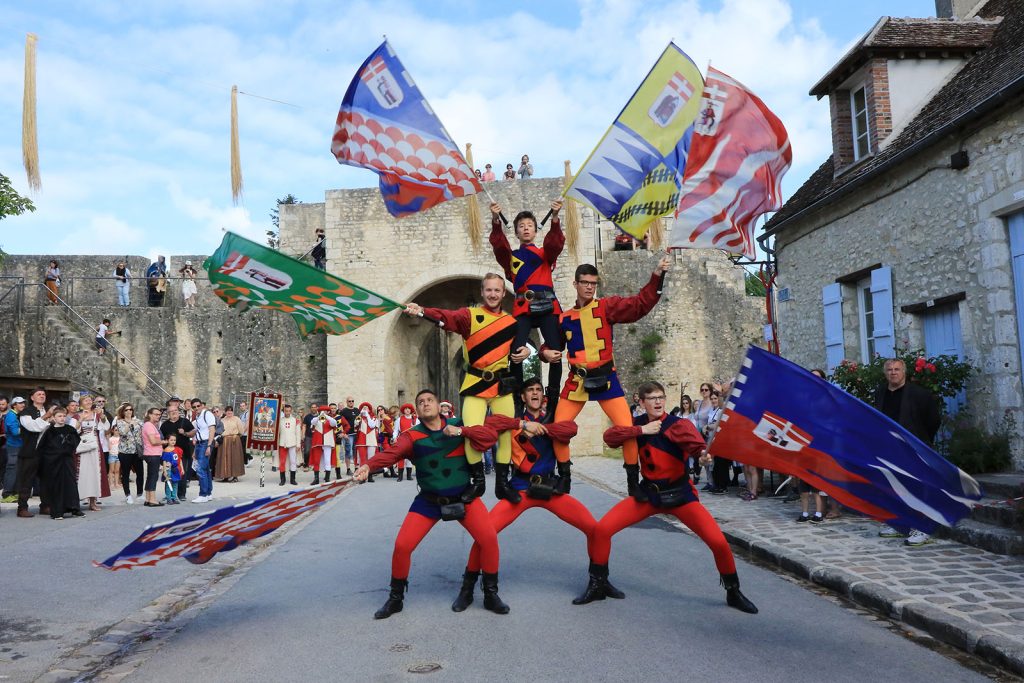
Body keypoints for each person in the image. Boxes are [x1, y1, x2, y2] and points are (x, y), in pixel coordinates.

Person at [584, 381, 758, 614]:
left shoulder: (678, 424)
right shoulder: (635, 425)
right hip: (649, 495)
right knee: (602, 529)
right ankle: (599, 583)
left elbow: (697, 447)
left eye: (661, 397)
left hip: (680, 496)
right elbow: (610, 437)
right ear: (641, 402)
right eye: (652, 398)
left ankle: (733, 591)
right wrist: (641, 431)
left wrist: (703, 457)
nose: (657, 402)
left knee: (718, 543)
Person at [353, 389, 506, 619]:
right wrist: (368, 466)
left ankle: (487, 593)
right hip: (429, 501)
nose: (425, 404)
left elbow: (491, 431)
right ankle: (396, 599)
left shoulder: (459, 423)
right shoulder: (411, 436)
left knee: (489, 539)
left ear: (438, 405)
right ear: (417, 410)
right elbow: (391, 454)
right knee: (403, 546)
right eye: (421, 402)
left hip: (465, 497)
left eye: (429, 400)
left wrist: (520, 425)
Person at [453, 377, 597, 611]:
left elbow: (570, 429)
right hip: (520, 487)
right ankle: (468, 588)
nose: (535, 393)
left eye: (538, 390)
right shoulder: (514, 420)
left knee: (595, 529)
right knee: (486, 534)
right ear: (522, 396)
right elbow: (490, 421)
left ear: (543, 396)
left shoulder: (553, 417)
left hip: (549, 488)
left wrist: (545, 430)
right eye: (530, 390)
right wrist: (522, 425)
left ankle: (599, 581)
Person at [403, 274, 528, 501]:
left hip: (501, 386)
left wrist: (527, 351)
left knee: (507, 433)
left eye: (497, 291)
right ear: (482, 292)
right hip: (475, 383)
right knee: (470, 432)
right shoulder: (469, 316)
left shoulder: (512, 323)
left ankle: (502, 483)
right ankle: (478, 482)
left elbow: (519, 349)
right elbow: (445, 317)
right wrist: (421, 310)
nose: (492, 294)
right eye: (488, 290)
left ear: (503, 293)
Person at [541, 257, 671, 471]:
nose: (590, 287)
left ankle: (632, 480)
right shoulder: (565, 318)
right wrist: (545, 353)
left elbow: (639, 305)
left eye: (593, 283)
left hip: (607, 379)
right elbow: (549, 345)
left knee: (627, 430)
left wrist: (657, 274)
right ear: (575, 284)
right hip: (577, 381)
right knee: (560, 429)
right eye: (585, 282)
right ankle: (564, 477)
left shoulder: (606, 307)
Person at [489, 199, 566, 416]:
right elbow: (499, 246)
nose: (526, 229)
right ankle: (516, 400)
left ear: (535, 230)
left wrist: (555, 219)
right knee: (515, 352)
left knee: (556, 353)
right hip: (523, 306)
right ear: (516, 232)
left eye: (529, 225)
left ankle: (552, 403)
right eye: (521, 226)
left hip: (548, 307)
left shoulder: (544, 254)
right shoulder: (511, 257)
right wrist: (496, 220)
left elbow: (555, 244)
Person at [875, 358, 942, 546]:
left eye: (897, 369)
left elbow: (933, 421)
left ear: (904, 372)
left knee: (918, 488)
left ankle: (922, 528)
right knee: (896, 488)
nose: (893, 373)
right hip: (890, 448)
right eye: (889, 370)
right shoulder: (880, 392)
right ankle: (900, 524)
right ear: (885, 372)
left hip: (914, 448)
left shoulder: (919, 395)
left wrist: (920, 441)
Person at [36, 406, 84, 520]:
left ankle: (74, 508)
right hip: (53, 462)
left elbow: (75, 441)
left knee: (71, 483)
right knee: (57, 485)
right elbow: (43, 448)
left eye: (63, 416)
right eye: (59, 416)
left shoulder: (70, 429)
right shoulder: (49, 431)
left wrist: (66, 447)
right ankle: (57, 511)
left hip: (67, 460)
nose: (62, 418)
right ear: (53, 417)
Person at [15, 388, 55, 517]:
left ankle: (45, 506)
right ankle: (22, 508)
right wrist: (47, 416)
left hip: (46, 451)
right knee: (27, 480)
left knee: (46, 480)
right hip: (30, 451)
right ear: (32, 397)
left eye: (43, 394)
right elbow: (32, 427)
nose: (42, 396)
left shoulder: (48, 410)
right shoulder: (26, 412)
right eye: (39, 394)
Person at [73, 395, 109, 511]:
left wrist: (102, 415)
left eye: (90, 400)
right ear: (81, 403)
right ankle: (76, 501)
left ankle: (93, 502)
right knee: (81, 473)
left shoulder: (97, 415)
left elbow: (106, 427)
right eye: (85, 400)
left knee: (95, 473)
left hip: (95, 448)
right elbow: (73, 430)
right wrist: (81, 420)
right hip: (82, 447)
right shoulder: (76, 415)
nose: (88, 401)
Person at [160, 405, 195, 500]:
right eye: (171, 411)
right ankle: (169, 494)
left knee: (181, 473)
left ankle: (181, 494)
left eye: (175, 410)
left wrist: (185, 433)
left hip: (183, 453)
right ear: (168, 413)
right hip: (169, 454)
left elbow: (193, 432)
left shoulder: (185, 421)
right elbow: (162, 439)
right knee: (168, 474)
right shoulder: (164, 425)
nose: (174, 412)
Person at [114, 403, 144, 504]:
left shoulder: (138, 421)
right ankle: (128, 495)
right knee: (125, 473)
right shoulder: (119, 422)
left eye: (130, 409)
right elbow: (123, 432)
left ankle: (140, 493)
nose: (129, 411)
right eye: (126, 410)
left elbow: (144, 430)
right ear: (123, 412)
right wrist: (131, 424)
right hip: (125, 452)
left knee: (140, 473)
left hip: (137, 451)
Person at [190, 398, 216, 502]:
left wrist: (209, 445)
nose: (197, 408)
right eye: (194, 407)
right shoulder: (198, 416)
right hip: (200, 443)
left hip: (206, 443)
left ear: (202, 405)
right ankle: (208, 493)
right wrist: (194, 450)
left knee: (200, 469)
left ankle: (203, 494)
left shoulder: (207, 414)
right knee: (205, 469)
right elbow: (198, 432)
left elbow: (212, 429)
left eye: (198, 406)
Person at [140, 407, 166, 507]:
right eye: (156, 414)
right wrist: (164, 442)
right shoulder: (149, 425)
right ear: (150, 414)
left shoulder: (150, 425)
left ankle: (148, 498)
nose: (158, 416)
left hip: (152, 453)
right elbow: (153, 441)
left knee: (150, 476)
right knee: (153, 477)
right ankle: (152, 499)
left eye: (159, 415)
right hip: (152, 453)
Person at [3, 396, 25, 501]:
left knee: (16, 470)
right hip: (13, 446)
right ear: (14, 405)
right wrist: (28, 427)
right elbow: (15, 432)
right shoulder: (11, 415)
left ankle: (14, 492)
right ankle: (6, 494)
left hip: (17, 446)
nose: (23, 405)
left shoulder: (15, 414)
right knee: (12, 469)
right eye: (20, 403)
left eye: (23, 403)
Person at [216, 406, 246, 483]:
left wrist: (236, 436)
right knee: (224, 459)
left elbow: (241, 431)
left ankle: (235, 476)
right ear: (225, 412)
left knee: (234, 458)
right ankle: (225, 476)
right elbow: (219, 430)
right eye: (228, 411)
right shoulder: (222, 420)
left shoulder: (237, 419)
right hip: (224, 440)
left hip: (234, 440)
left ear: (233, 412)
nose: (229, 412)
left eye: (231, 411)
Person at [310, 406, 338, 485]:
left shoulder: (330, 420)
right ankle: (316, 478)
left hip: (328, 442)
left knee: (327, 460)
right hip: (317, 442)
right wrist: (319, 416)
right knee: (316, 460)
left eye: (325, 411)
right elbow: (313, 423)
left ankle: (327, 478)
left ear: (328, 412)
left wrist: (327, 417)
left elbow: (334, 423)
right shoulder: (316, 420)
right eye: (322, 411)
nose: (323, 412)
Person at [277, 403, 302, 486]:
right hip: (282, 443)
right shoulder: (280, 420)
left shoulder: (295, 420)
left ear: (291, 411)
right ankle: (282, 480)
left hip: (293, 443)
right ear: (283, 411)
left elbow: (298, 433)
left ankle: (293, 479)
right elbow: (277, 433)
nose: (287, 412)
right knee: (282, 462)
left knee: (293, 461)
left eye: (289, 411)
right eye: (286, 411)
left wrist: (298, 444)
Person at [393, 403, 418, 481]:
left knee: (409, 458)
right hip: (402, 439)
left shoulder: (415, 419)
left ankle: (409, 476)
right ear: (404, 410)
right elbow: (396, 430)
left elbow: (419, 430)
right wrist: (394, 437)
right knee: (401, 457)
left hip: (411, 440)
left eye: (409, 408)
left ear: (411, 410)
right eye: (405, 409)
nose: (407, 410)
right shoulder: (399, 419)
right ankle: (400, 476)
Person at [339, 397, 360, 473]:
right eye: (349, 401)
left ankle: (356, 467)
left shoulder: (357, 410)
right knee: (349, 451)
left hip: (357, 433)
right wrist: (343, 433)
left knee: (356, 451)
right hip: (348, 434)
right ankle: (348, 469)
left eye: (352, 401)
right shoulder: (343, 411)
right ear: (347, 402)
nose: (351, 402)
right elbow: (339, 423)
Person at [161, 434, 183, 504]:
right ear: (167, 441)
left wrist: (182, 469)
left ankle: (174, 497)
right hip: (168, 469)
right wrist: (164, 471)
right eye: (171, 440)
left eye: (174, 440)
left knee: (175, 484)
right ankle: (169, 498)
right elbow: (164, 461)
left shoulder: (178, 449)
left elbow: (180, 460)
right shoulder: (166, 450)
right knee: (169, 484)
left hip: (176, 469)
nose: (173, 441)